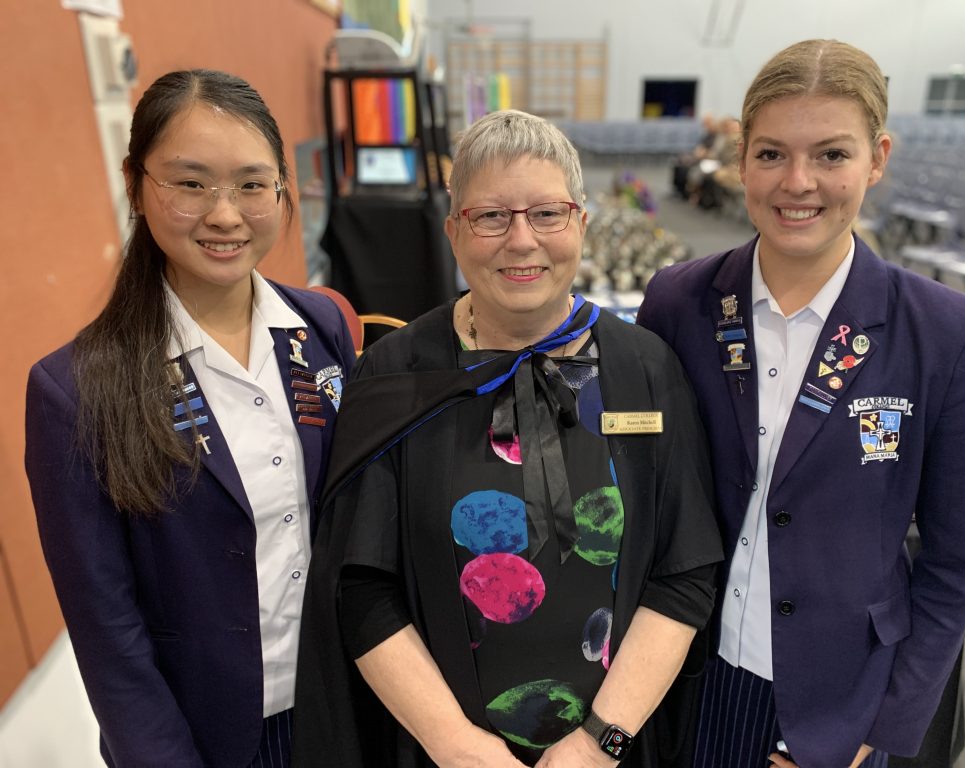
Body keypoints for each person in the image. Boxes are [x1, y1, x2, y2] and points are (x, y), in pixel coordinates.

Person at [293, 109, 723, 767]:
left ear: (581, 223)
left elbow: (684, 572)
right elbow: (360, 587)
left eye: (547, 214)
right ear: (453, 231)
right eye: (491, 216)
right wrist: (454, 744)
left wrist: (602, 742)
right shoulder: (395, 375)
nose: (522, 240)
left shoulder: (644, 369)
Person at [637, 39, 965, 768]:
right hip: (682, 675)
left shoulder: (950, 334)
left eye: (832, 154)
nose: (798, 182)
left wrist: (878, 727)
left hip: (841, 703)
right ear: (741, 159)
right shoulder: (678, 302)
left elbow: (958, 560)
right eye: (772, 154)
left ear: (877, 158)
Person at [24, 69, 356, 768]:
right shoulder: (77, 390)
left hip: (343, 710)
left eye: (252, 184)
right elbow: (107, 631)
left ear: (283, 190)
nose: (225, 215)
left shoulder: (320, 326)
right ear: (136, 185)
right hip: (205, 738)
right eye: (191, 183)